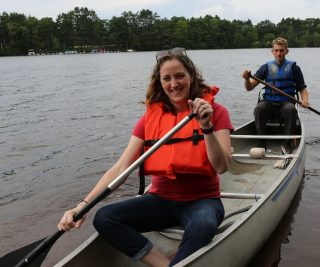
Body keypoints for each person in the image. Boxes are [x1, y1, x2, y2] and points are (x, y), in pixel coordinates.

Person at [58, 47, 233, 267]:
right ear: (159, 82)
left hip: (202, 201)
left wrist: (206, 126)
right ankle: (164, 264)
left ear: (191, 76)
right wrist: (82, 206)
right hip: (161, 201)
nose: (174, 84)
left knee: (204, 225)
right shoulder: (149, 118)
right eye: (166, 78)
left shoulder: (217, 112)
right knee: (104, 217)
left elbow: (222, 166)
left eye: (180, 76)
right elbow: (120, 168)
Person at [242, 37, 309, 149]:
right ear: (272, 51)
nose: (279, 53)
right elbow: (249, 87)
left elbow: (302, 89)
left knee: (290, 109)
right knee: (259, 108)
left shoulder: (294, 68)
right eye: (276, 50)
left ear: (286, 51)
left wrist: (305, 100)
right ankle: (261, 141)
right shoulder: (265, 67)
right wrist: (246, 79)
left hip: (286, 104)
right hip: (269, 103)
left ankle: (287, 142)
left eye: (281, 50)